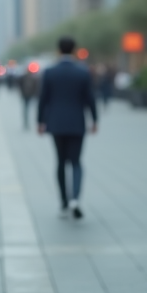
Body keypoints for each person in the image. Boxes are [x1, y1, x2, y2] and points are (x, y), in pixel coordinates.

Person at [37, 38, 98, 220]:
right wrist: (94, 120)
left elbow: (43, 99)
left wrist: (40, 121)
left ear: (58, 50)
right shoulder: (83, 72)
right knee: (77, 162)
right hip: (77, 123)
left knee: (61, 162)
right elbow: (90, 98)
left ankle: (64, 201)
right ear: (74, 50)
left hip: (55, 123)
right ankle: (75, 200)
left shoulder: (49, 72)